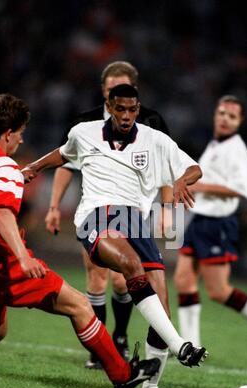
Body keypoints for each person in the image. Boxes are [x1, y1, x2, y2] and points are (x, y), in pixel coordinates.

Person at [22, 84, 209, 388]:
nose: (126, 115)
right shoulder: (84, 132)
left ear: (138, 109)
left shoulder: (156, 141)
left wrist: (180, 181)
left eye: (132, 110)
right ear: (108, 105)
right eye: (119, 109)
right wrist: (34, 168)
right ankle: (180, 345)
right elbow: (63, 154)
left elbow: (195, 168)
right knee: (129, 265)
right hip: (96, 217)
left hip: (137, 222)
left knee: (160, 310)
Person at [0, 93, 162, 388]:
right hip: (4, 263)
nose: (21, 142)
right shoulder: (4, 167)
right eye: (21, 134)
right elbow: (2, 213)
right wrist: (23, 258)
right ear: (8, 133)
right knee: (79, 306)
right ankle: (123, 375)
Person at [45, 61, 171, 369]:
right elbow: (65, 163)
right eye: (111, 88)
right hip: (96, 210)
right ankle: (101, 349)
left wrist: (167, 211)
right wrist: (53, 206)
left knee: (122, 281)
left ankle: (121, 337)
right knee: (97, 277)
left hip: (135, 212)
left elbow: (169, 167)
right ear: (104, 91)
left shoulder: (152, 121)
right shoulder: (84, 124)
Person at [173, 95, 247, 348]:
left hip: (217, 225)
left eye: (231, 116)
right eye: (221, 113)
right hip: (200, 220)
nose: (224, 119)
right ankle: (191, 345)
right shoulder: (216, 144)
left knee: (219, 291)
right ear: (215, 115)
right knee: (183, 280)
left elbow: (241, 189)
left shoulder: (236, 149)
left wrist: (199, 186)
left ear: (240, 121)